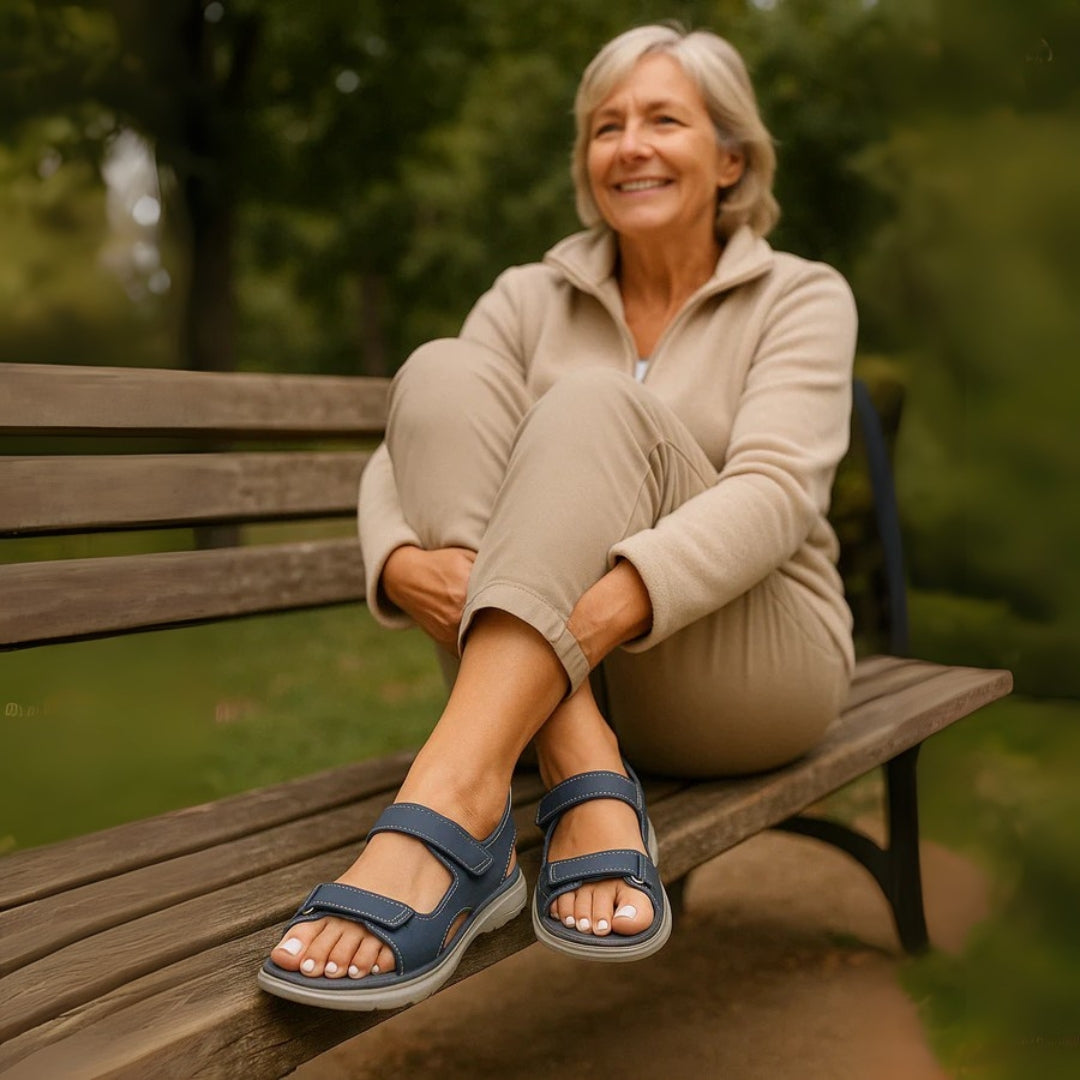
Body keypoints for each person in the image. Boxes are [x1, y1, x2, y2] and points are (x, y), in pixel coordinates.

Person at [259, 22, 856, 1010]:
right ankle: (580, 762)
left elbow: (778, 496)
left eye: (665, 119)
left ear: (732, 158)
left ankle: (445, 802)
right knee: (442, 373)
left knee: (587, 403)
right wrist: (399, 563)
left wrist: (572, 620)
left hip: (749, 659)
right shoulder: (526, 295)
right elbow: (404, 449)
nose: (630, 145)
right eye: (605, 126)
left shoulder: (799, 295)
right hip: (573, 680)